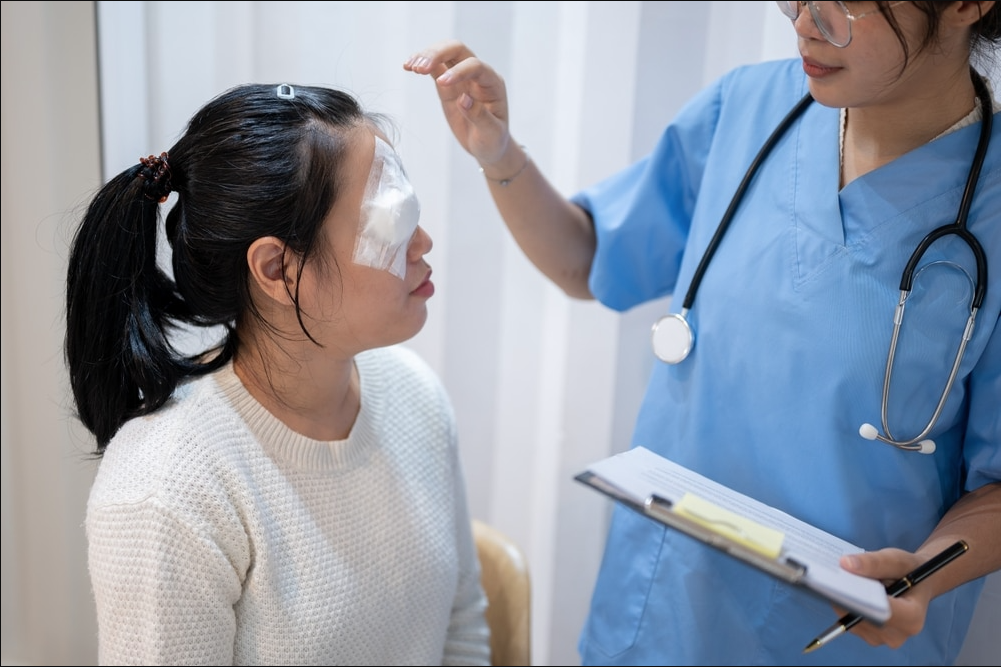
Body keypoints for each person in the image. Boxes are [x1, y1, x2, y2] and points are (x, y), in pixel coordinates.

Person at [404, 2, 1000, 665]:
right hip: (659, 617)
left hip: (837, 641)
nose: (803, 24)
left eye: (836, 3)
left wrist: (922, 573)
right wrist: (498, 153)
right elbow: (588, 257)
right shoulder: (749, 108)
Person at [65, 82, 491, 666]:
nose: (423, 243)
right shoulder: (168, 491)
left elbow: (460, 625)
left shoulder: (413, 395)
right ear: (277, 267)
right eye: (392, 224)